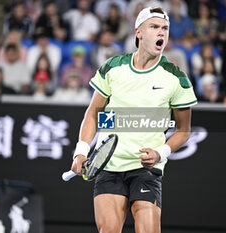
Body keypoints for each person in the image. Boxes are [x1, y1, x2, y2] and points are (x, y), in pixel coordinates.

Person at [69, 7, 197, 233]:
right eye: (154, 27)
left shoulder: (176, 78)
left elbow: (183, 130)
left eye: (165, 28)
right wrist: (81, 150)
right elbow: (93, 113)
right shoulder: (113, 68)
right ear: (138, 32)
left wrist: (161, 153)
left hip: (146, 170)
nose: (161, 33)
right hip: (109, 166)